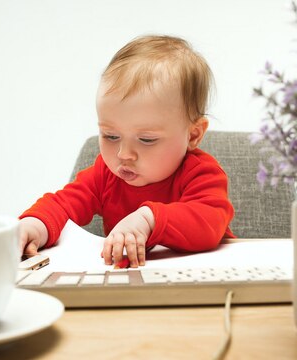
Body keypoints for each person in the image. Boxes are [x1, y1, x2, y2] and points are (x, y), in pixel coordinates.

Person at [19, 35, 235, 268]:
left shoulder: (202, 174)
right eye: (111, 136)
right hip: (134, 288)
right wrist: (34, 225)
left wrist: (147, 220)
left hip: (202, 283)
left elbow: (209, 224)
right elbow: (62, 205)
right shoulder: (105, 175)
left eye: (146, 139)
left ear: (193, 135)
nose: (124, 154)